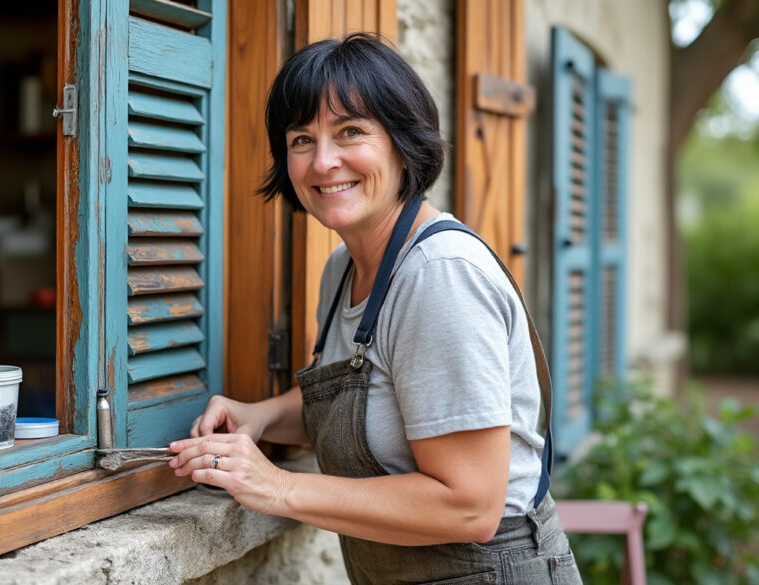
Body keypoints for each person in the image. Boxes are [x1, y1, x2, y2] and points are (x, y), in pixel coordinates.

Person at [168, 33, 582, 585]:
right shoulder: (342, 270)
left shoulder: (438, 275)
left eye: (350, 132)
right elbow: (375, 400)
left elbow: (471, 507)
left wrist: (278, 486)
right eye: (300, 139)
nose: (323, 161)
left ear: (402, 143)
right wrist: (261, 416)